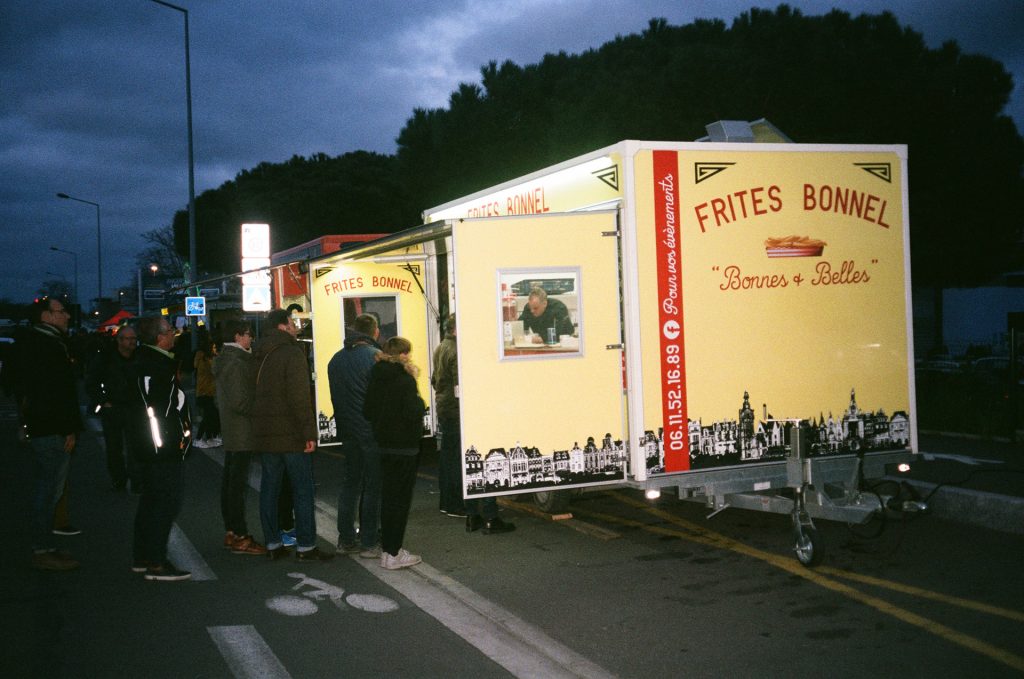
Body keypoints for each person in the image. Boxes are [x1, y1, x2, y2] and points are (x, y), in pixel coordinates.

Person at [4, 297, 82, 571]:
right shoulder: (46, 346)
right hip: (50, 428)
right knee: (49, 488)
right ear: (46, 316)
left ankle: (46, 545)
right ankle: (42, 549)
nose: (68, 317)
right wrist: (67, 428)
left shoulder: (36, 343)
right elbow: (56, 393)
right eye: (62, 313)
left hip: (43, 425)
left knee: (49, 488)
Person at [253, 308, 332, 561]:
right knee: (302, 489)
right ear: (282, 326)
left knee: (269, 489)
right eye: (292, 323)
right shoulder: (291, 353)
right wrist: (309, 433)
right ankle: (306, 546)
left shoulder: (256, 353)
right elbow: (299, 398)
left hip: (265, 433)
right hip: (291, 434)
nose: (296, 327)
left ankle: (273, 543)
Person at [431, 314, 515, 535]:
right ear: (458, 328)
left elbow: (435, 380)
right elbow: (464, 384)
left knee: (455, 459)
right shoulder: (459, 350)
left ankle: (467, 511)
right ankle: (486, 514)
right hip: (462, 411)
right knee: (478, 460)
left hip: (446, 409)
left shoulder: (441, 347)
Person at [126, 315, 193, 581]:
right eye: (169, 330)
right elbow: (160, 412)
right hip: (160, 449)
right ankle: (156, 561)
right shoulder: (157, 365)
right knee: (164, 503)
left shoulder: (145, 362)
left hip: (148, 446)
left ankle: (143, 557)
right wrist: (170, 442)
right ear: (159, 336)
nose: (174, 333)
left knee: (150, 501)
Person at [362, 337, 425, 569]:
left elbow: (367, 411)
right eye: (407, 353)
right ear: (402, 355)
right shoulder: (404, 380)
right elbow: (413, 411)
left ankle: (388, 550)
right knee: (400, 501)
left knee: (388, 498)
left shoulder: (376, 376)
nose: (409, 356)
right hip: (405, 447)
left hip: (384, 445)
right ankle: (393, 552)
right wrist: (420, 404)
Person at [327, 313, 382, 558]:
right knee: (373, 485)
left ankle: (346, 538)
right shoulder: (374, 358)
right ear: (375, 332)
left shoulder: (335, 360)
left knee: (350, 483)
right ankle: (369, 540)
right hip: (370, 431)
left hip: (347, 429)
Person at [212, 320, 266, 556]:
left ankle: (232, 532)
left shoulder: (227, 360)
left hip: (233, 429)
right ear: (237, 337)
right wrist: (261, 404)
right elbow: (240, 401)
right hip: (241, 430)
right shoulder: (236, 362)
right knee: (236, 485)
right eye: (247, 335)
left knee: (231, 482)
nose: (251, 339)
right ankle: (240, 534)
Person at [85, 324, 141, 492]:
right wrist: (103, 401)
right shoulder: (106, 358)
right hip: (113, 408)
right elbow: (92, 381)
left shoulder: (139, 357)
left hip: (134, 407)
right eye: (128, 339)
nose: (132, 342)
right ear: (119, 340)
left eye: (134, 339)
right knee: (114, 447)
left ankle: (136, 481)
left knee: (136, 446)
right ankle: (119, 478)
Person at [192, 329, 222, 448]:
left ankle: (210, 438)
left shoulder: (202, 356)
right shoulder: (206, 359)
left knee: (211, 415)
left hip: (206, 391)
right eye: (213, 347)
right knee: (209, 416)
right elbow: (214, 371)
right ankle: (199, 439)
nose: (215, 349)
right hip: (205, 391)